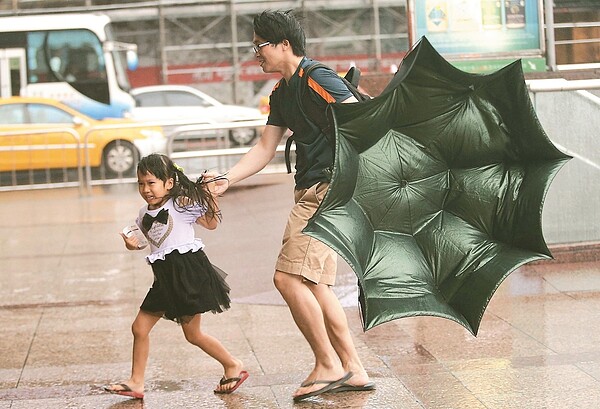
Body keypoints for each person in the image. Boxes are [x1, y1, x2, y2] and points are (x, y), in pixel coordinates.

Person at [208, 10, 374, 402]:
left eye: (260, 46)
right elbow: (265, 148)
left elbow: (362, 119)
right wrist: (226, 179)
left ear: (284, 45)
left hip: (327, 188)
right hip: (313, 188)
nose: (256, 54)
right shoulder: (282, 93)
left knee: (286, 279)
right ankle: (353, 368)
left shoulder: (317, 77)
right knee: (316, 284)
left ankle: (328, 364)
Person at [103, 153, 248, 399]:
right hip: (163, 278)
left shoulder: (180, 203)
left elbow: (211, 223)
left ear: (168, 183)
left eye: (151, 183)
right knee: (139, 328)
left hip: (187, 274)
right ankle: (136, 382)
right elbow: (144, 242)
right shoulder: (143, 212)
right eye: (141, 183)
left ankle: (233, 364)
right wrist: (131, 244)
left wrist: (211, 195)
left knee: (193, 334)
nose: (146, 189)